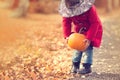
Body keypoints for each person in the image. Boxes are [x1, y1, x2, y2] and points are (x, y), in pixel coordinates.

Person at [59, 0, 103, 74]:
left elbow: (95, 23)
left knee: (87, 47)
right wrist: (67, 35)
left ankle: (87, 66)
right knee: (77, 46)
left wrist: (89, 38)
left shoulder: (89, 8)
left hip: (92, 30)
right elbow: (66, 22)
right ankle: (75, 65)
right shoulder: (67, 10)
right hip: (79, 30)